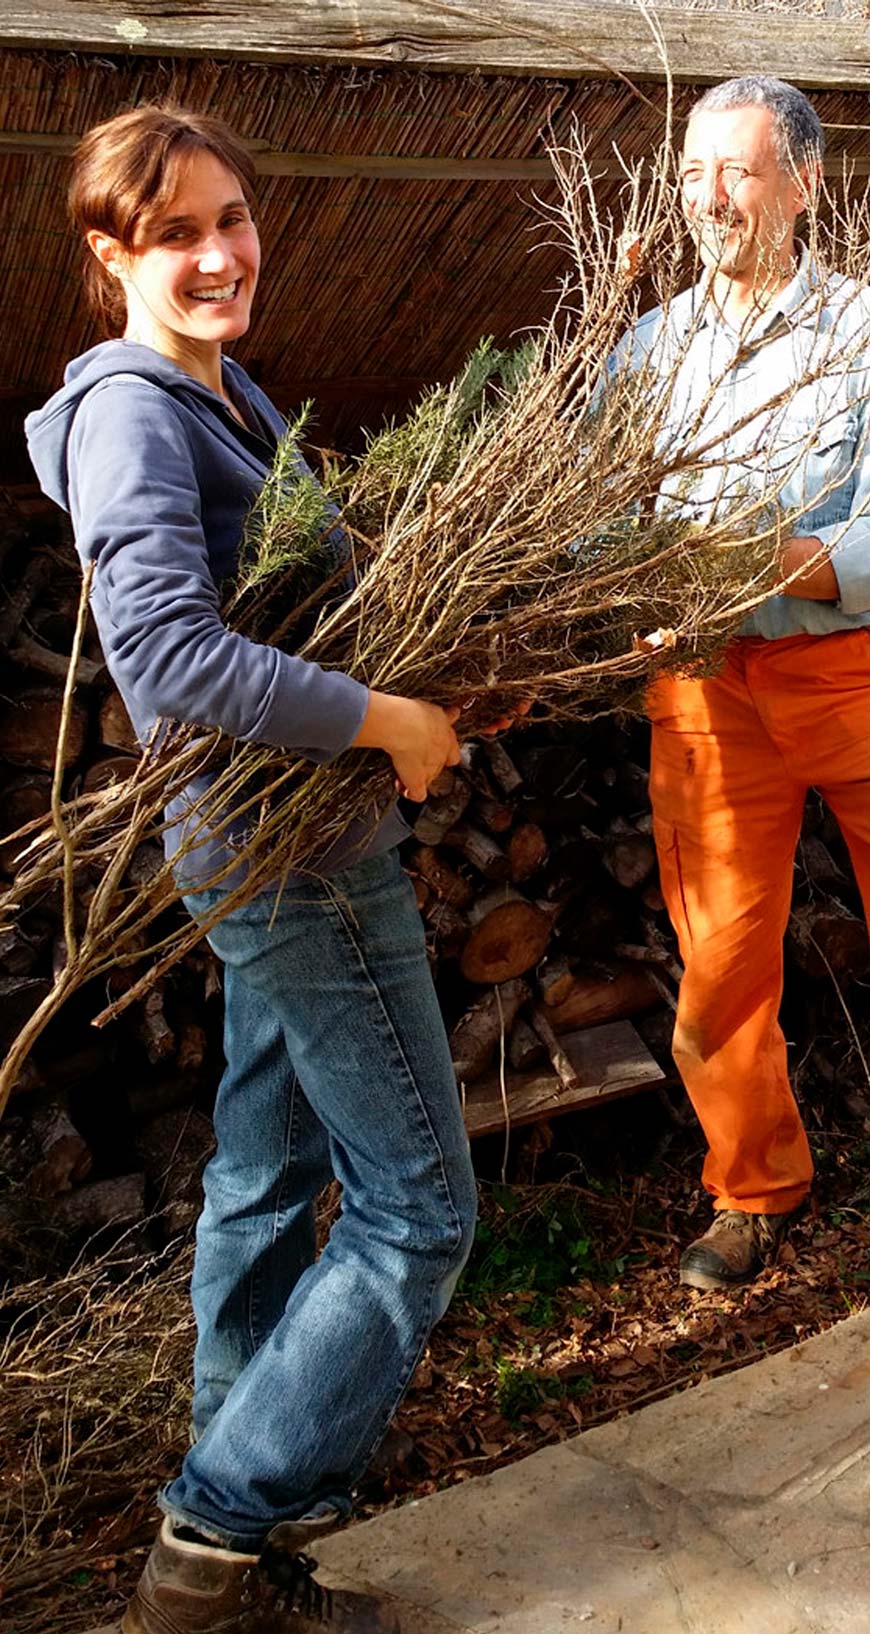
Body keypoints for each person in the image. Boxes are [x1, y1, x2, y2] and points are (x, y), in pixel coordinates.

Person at [26, 105, 481, 1634]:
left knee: (268, 1171)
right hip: (292, 857)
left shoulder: (217, 387)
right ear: (110, 255)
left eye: (233, 217)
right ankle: (219, 1521)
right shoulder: (134, 412)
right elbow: (165, 655)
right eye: (175, 234)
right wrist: (384, 715)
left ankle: (233, 1515)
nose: (221, 254)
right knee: (420, 1209)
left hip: (284, 842)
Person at [602, 76, 870, 1295]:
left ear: (800, 187)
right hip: (702, 685)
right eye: (692, 173)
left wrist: (743, 549)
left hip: (857, 673)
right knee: (721, 964)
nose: (708, 199)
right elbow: (601, 531)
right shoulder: (645, 352)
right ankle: (750, 1189)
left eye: (736, 172)